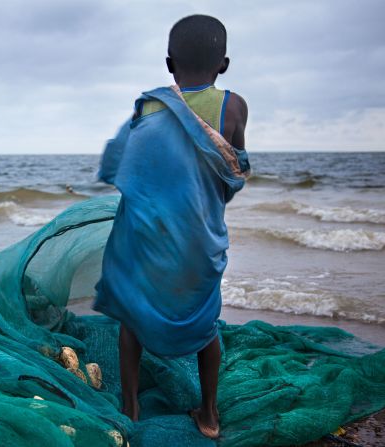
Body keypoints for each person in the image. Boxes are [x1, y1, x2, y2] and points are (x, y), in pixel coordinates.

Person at [93, 15, 250, 439]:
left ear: (168, 63)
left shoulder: (149, 105)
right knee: (205, 320)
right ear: (224, 64)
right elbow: (232, 169)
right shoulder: (233, 106)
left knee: (132, 316)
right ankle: (211, 414)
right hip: (201, 237)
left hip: (149, 234)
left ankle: (131, 404)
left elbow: (129, 167)